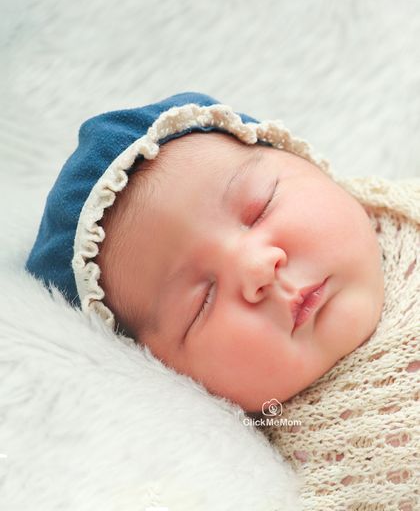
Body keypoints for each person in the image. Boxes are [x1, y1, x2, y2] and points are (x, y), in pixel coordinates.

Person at [25, 92, 419, 508]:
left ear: (306, 162)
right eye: (203, 301)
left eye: (260, 209)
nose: (258, 269)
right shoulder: (290, 469)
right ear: (169, 376)